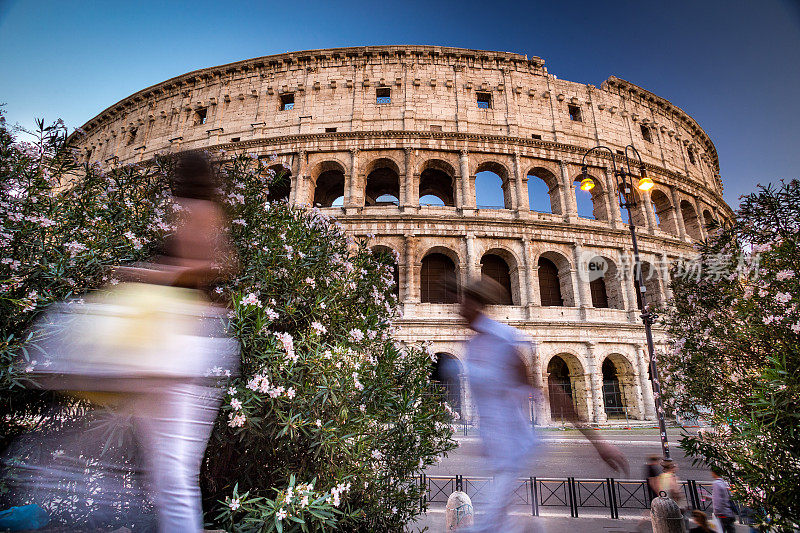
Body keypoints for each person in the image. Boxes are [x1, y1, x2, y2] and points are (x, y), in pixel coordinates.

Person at [457, 276, 629, 532]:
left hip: (513, 448)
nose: (457, 308)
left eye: (463, 301)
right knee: (503, 523)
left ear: (477, 304)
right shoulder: (473, 345)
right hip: (495, 451)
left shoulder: (501, 339)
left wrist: (597, 442)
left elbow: (546, 390)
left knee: (485, 527)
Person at [711, 466, 737, 533]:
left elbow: (718, 500)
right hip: (729, 513)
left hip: (722, 514)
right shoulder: (724, 483)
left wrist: (716, 512)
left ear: (714, 473)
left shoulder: (716, 484)